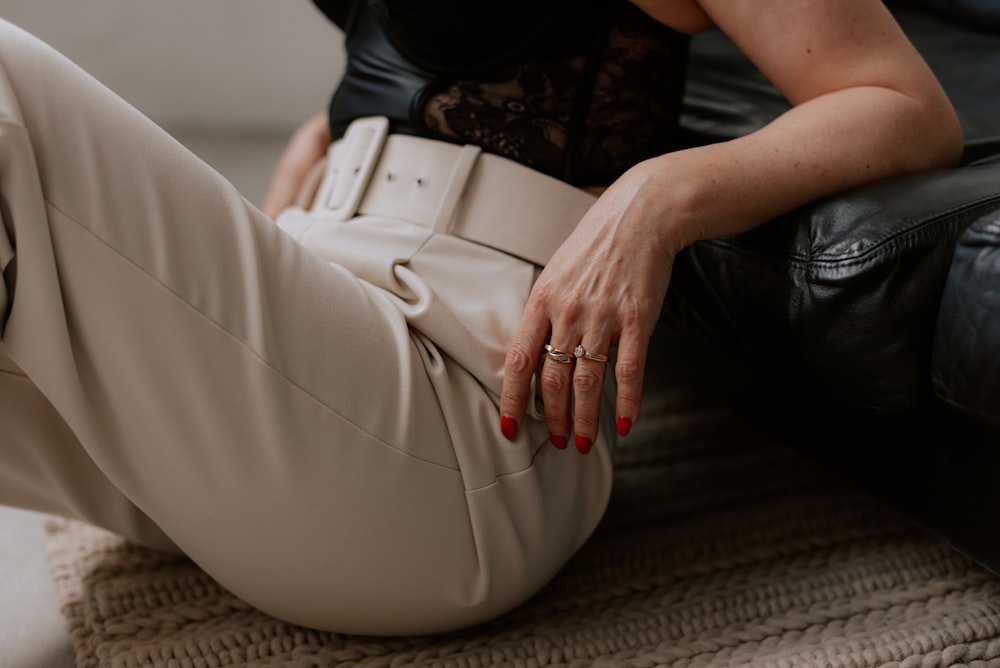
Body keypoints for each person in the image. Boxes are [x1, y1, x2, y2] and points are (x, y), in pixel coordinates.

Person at [0, 0, 961, 637]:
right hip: (313, 380)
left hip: (454, 423)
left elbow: (902, 104)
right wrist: (326, 167)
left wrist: (655, 198)